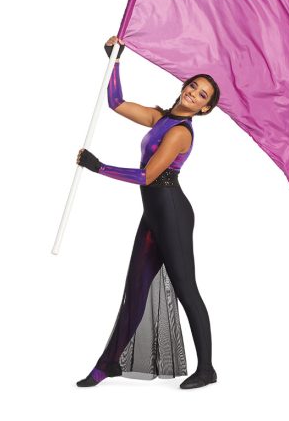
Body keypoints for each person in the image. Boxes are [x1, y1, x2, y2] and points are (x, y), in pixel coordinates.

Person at [74, 35, 221, 390]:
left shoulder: (182, 133)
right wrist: (115, 61)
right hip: (154, 213)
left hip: (172, 213)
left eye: (202, 96)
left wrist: (99, 167)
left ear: (204, 109)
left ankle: (207, 369)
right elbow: (116, 103)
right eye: (194, 86)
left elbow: (148, 175)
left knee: (186, 289)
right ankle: (108, 365)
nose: (194, 93)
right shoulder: (160, 117)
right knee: (135, 288)